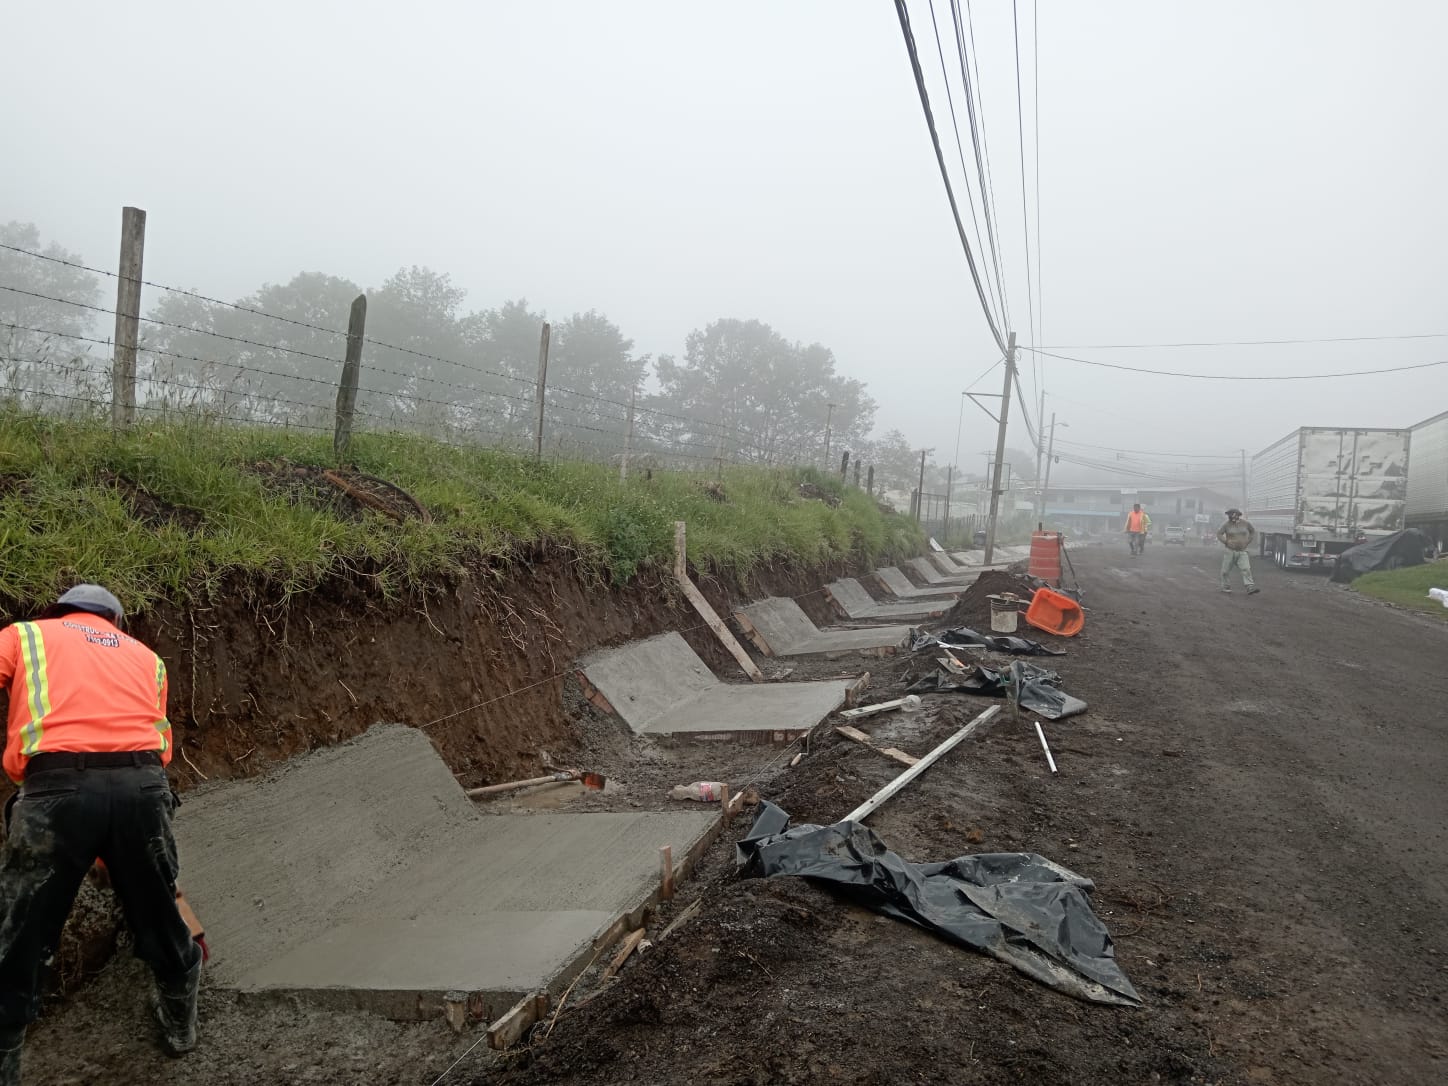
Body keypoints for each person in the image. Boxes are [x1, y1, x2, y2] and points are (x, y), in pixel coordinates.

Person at [0, 585, 202, 1081]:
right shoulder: (148, 658)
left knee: (21, 934)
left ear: (59, 612)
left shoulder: (24, 635)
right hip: (143, 787)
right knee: (156, 910)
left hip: (57, 792)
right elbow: (159, 746)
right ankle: (181, 1020)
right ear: (114, 621)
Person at [1217, 509, 1260, 594]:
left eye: (1233, 514)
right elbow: (1219, 534)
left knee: (1246, 568)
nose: (1231, 516)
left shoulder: (1245, 524)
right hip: (1230, 551)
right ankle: (1226, 586)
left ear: (1238, 515)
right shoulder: (1226, 525)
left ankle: (1250, 587)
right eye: (1229, 515)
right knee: (1225, 571)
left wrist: (1248, 541)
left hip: (1242, 551)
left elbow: (1252, 531)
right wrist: (1225, 541)